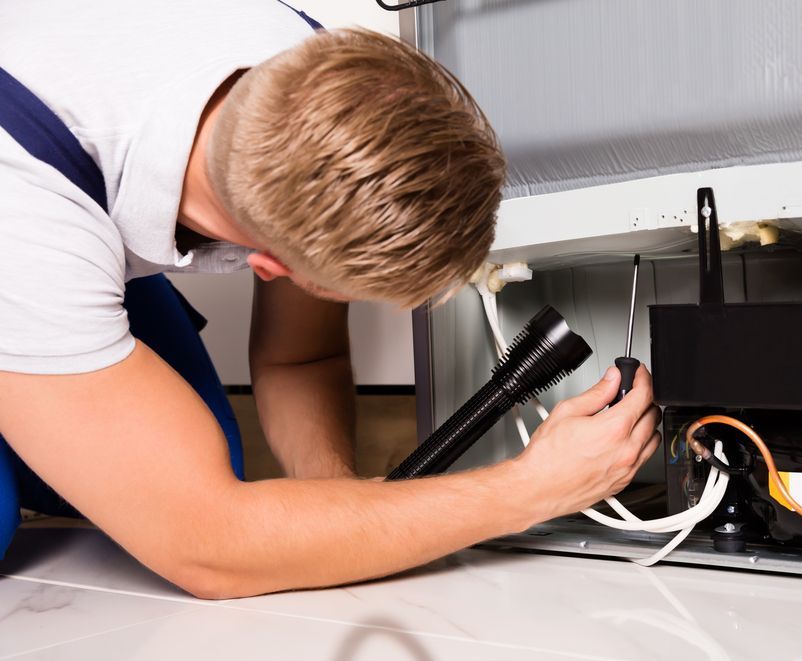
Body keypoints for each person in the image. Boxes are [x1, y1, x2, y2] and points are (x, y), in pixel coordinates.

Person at [0, 0, 661, 599]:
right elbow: (208, 545)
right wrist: (528, 490)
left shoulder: (323, 80)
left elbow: (301, 357)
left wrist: (347, 514)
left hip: (65, 232)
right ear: (269, 267)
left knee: (208, 468)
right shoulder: (27, 213)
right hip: (27, 217)